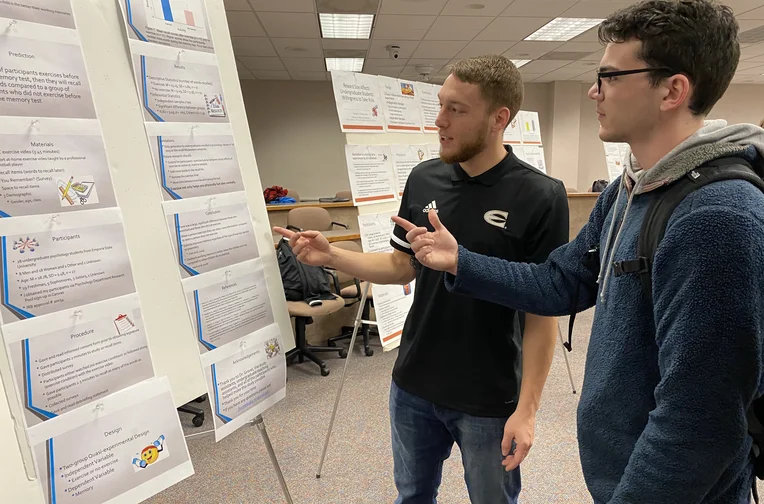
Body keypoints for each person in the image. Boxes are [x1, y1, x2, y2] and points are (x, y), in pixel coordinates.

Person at [393, 0, 764, 502]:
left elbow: (700, 419)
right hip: (620, 471)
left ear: (673, 90)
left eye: (609, 77)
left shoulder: (717, 217)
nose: (594, 90)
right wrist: (462, 260)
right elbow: (559, 282)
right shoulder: (629, 190)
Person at [274, 54, 569, 503]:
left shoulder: (540, 195)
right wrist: (333, 255)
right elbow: (401, 266)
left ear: (498, 118)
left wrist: (527, 411)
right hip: (414, 383)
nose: (439, 120)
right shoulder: (425, 176)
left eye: (457, 110)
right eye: (441, 105)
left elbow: (541, 314)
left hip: (488, 397)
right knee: (411, 496)